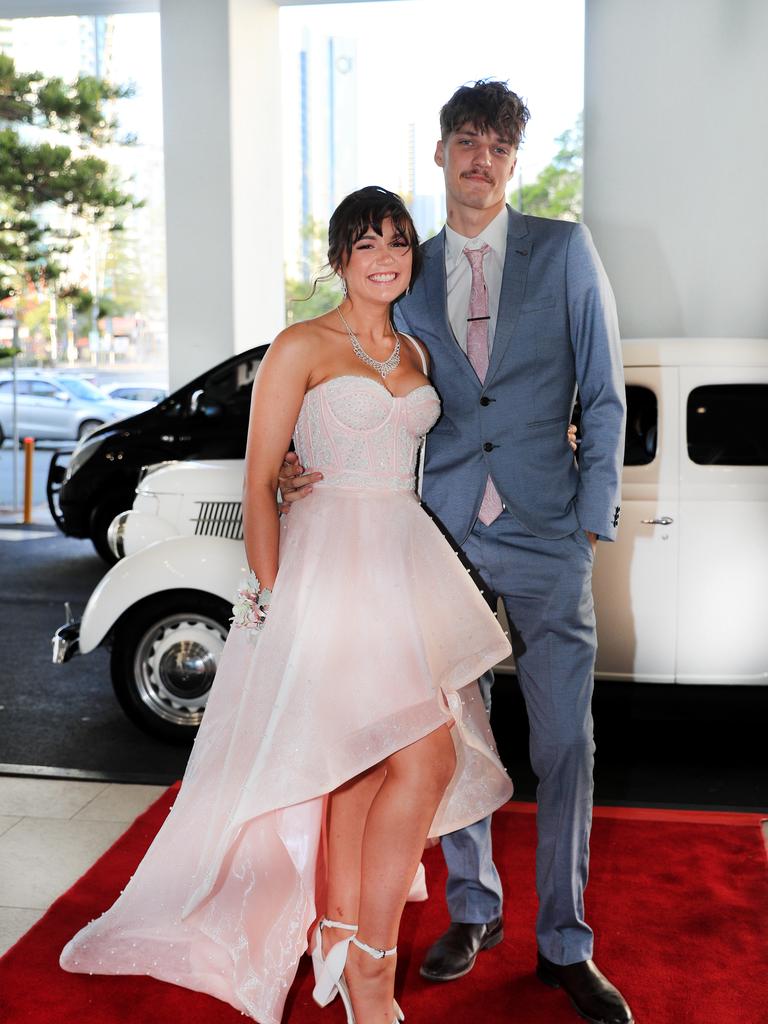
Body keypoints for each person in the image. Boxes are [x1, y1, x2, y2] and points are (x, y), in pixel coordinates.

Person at [59, 185, 515, 1024]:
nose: (385, 258)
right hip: (327, 571)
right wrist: (269, 601)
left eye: (399, 244)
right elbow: (260, 479)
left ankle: (340, 941)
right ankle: (371, 972)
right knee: (420, 759)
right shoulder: (300, 344)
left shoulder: (415, 352)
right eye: (367, 243)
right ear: (340, 257)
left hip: (402, 564)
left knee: (370, 763)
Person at [279, 82, 633, 1024]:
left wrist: (589, 517)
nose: (481, 159)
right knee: (452, 741)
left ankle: (565, 943)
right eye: (466, 142)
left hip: (547, 532)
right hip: (439, 541)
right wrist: (288, 469)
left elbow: (602, 391)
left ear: (515, 162)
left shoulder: (564, 251)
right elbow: (351, 371)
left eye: (500, 147)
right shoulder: (407, 265)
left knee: (565, 744)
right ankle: (473, 910)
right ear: (440, 154)